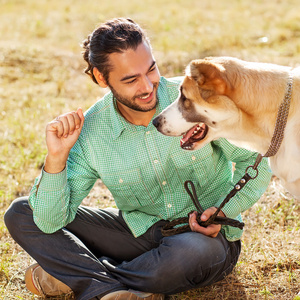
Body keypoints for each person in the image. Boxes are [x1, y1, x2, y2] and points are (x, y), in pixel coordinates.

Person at [4, 18, 272, 300]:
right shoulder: (93, 131)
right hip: (139, 234)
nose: (147, 86)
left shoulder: (198, 101)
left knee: (184, 256)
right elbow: (49, 222)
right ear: (100, 77)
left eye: (151, 69)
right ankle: (117, 287)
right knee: (22, 213)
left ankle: (86, 278)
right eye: (131, 79)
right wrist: (56, 158)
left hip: (203, 240)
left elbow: (254, 164)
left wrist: (223, 210)